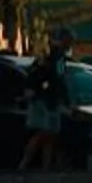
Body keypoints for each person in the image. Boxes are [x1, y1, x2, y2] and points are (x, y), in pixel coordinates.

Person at [19, 44, 63, 173]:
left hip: (49, 102)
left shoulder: (49, 66)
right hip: (43, 102)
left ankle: (46, 166)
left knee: (49, 136)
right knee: (42, 134)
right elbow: (40, 84)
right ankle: (24, 164)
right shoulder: (44, 68)